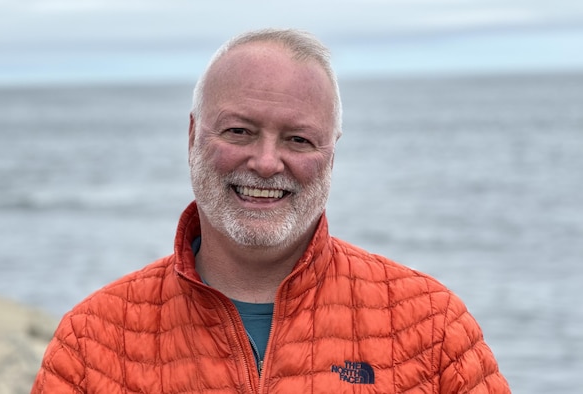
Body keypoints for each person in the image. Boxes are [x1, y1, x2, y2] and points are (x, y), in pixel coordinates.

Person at [31, 28, 510, 393]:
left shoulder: (429, 325)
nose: (265, 162)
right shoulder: (93, 341)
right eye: (239, 131)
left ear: (331, 154)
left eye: (298, 139)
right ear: (193, 137)